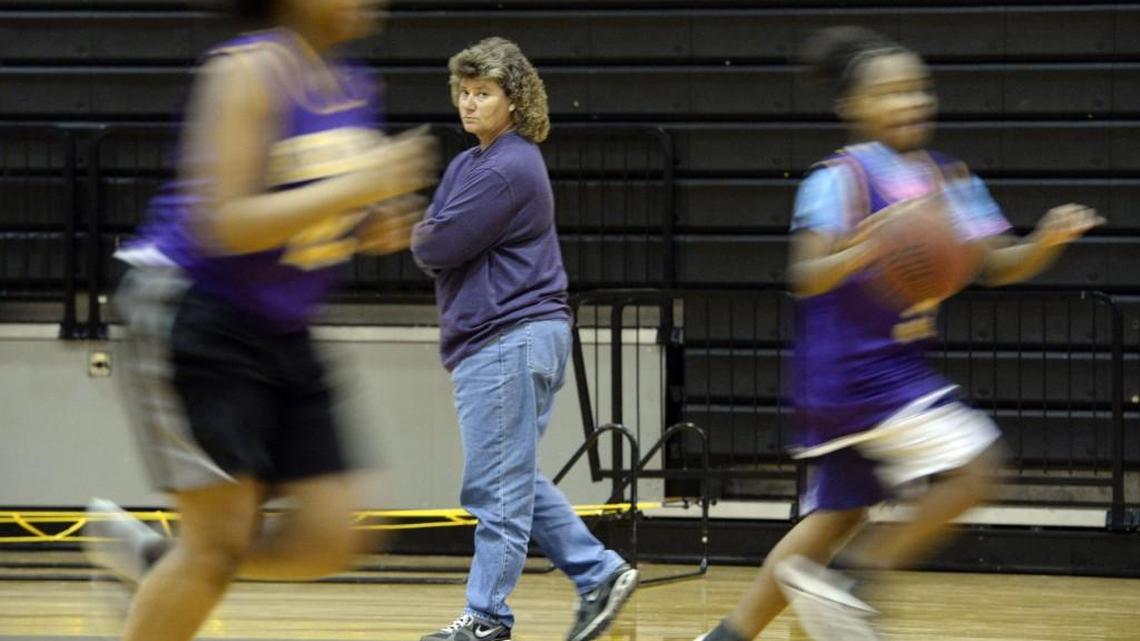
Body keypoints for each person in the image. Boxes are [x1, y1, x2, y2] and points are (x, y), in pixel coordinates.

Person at [694, 26, 1103, 641]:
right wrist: (868, 249)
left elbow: (995, 263)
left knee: (834, 519)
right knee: (979, 469)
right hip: (855, 375)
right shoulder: (839, 179)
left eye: (919, 89)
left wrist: (1043, 243)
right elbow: (805, 275)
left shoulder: (949, 179)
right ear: (854, 107)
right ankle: (856, 583)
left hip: (883, 374)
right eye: (892, 92)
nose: (911, 101)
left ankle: (726, 637)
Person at [82, 2, 436, 641]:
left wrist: (368, 227)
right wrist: (358, 188)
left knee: (331, 536)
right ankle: (184, 568)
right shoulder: (246, 69)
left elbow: (309, 207)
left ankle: (160, 563)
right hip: (194, 308)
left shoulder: (356, 83)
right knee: (218, 544)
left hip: (283, 325)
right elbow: (221, 222)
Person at [411, 37, 638, 641]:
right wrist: (433, 232)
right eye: (464, 91)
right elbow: (439, 233)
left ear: (515, 101)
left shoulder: (510, 165)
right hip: (497, 338)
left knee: (494, 487)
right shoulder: (469, 164)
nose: (469, 103)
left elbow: (436, 243)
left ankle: (487, 617)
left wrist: (429, 234)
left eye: (483, 93)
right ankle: (599, 572)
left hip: (509, 335)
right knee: (511, 478)